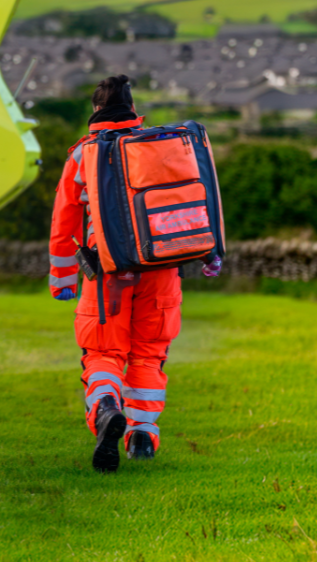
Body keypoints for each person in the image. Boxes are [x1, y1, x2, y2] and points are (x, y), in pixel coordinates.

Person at [48, 74, 220, 473]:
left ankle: (107, 407)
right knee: (149, 353)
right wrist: (211, 251)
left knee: (104, 353)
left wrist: (61, 280)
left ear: (96, 111)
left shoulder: (83, 155)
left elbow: (64, 223)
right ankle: (141, 435)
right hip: (161, 269)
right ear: (133, 111)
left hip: (106, 274)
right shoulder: (163, 147)